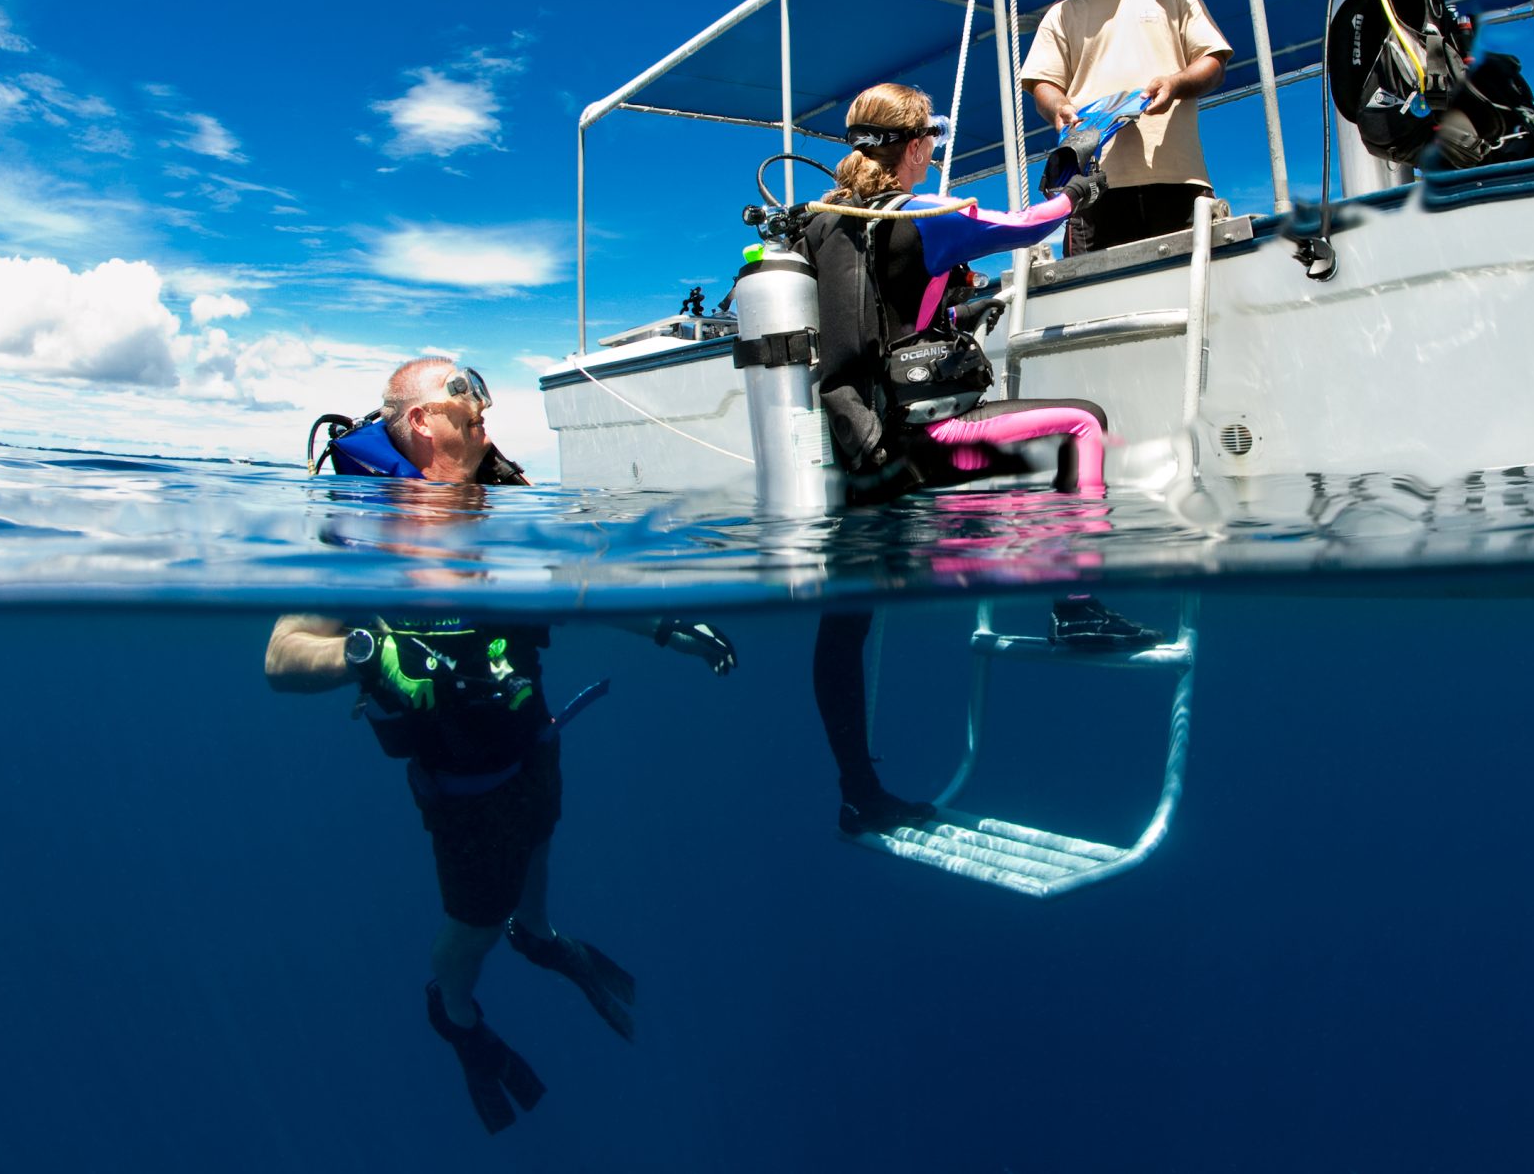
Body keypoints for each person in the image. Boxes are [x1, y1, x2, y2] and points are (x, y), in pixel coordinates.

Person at [271, 356, 736, 1134]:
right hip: (465, 791)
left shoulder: (503, 502)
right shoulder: (359, 529)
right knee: (477, 924)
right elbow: (281, 655)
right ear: (421, 420)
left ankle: (540, 931)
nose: (484, 403)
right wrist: (365, 654)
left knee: (542, 840)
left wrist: (660, 624)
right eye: (465, 391)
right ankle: (453, 1011)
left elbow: (569, 585)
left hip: (532, 737)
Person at [800, 83, 1154, 835]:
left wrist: (948, 309)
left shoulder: (827, 222)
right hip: (921, 441)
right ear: (919, 144)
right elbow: (1027, 224)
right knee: (1082, 426)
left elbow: (871, 314)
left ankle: (858, 793)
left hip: (855, 448)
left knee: (844, 628)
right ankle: (1076, 605)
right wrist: (1077, 188)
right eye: (931, 137)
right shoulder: (932, 216)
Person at [1020, 0, 1233, 254]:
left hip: (1179, 182)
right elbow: (1043, 84)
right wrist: (1057, 107)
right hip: (1090, 190)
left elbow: (1212, 62)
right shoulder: (1061, 15)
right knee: (1094, 303)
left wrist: (1175, 83)